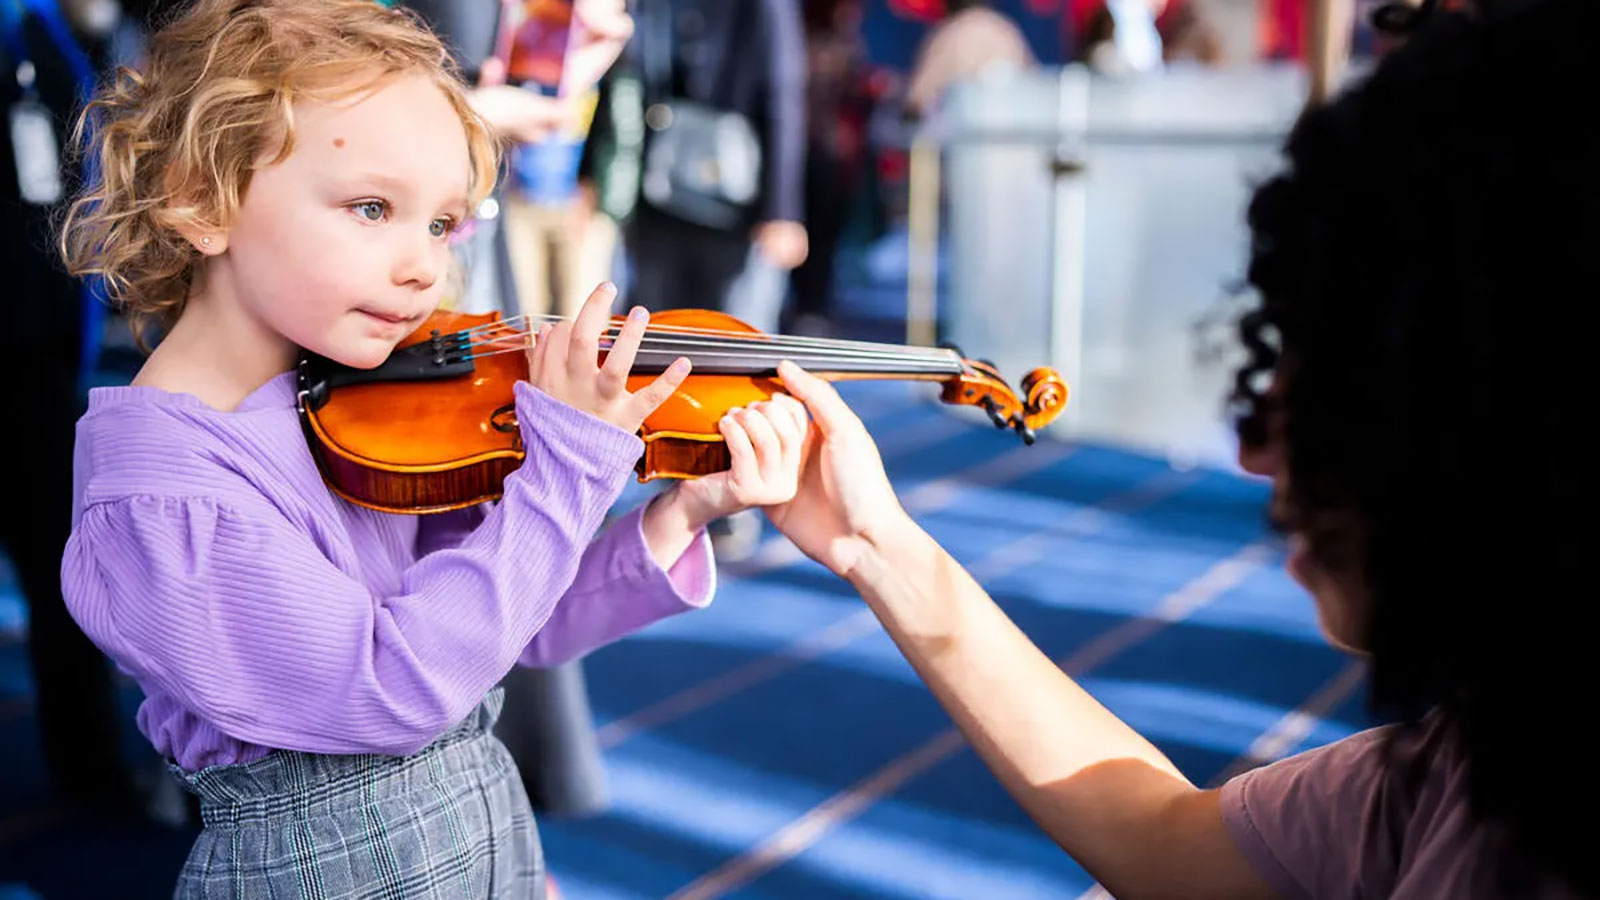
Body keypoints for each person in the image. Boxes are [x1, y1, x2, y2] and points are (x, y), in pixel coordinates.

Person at [763, 0, 1593, 895]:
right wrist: (876, 541)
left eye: (1337, 391)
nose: (1256, 453)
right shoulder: (1471, 762)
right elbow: (1167, 839)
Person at [53, 0, 808, 895]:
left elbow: (502, 624)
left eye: (444, 224)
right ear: (200, 200)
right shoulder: (163, 498)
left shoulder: (345, 410)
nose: (424, 268)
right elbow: (397, 686)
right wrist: (562, 471)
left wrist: (680, 511)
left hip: (478, 838)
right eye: (373, 208)